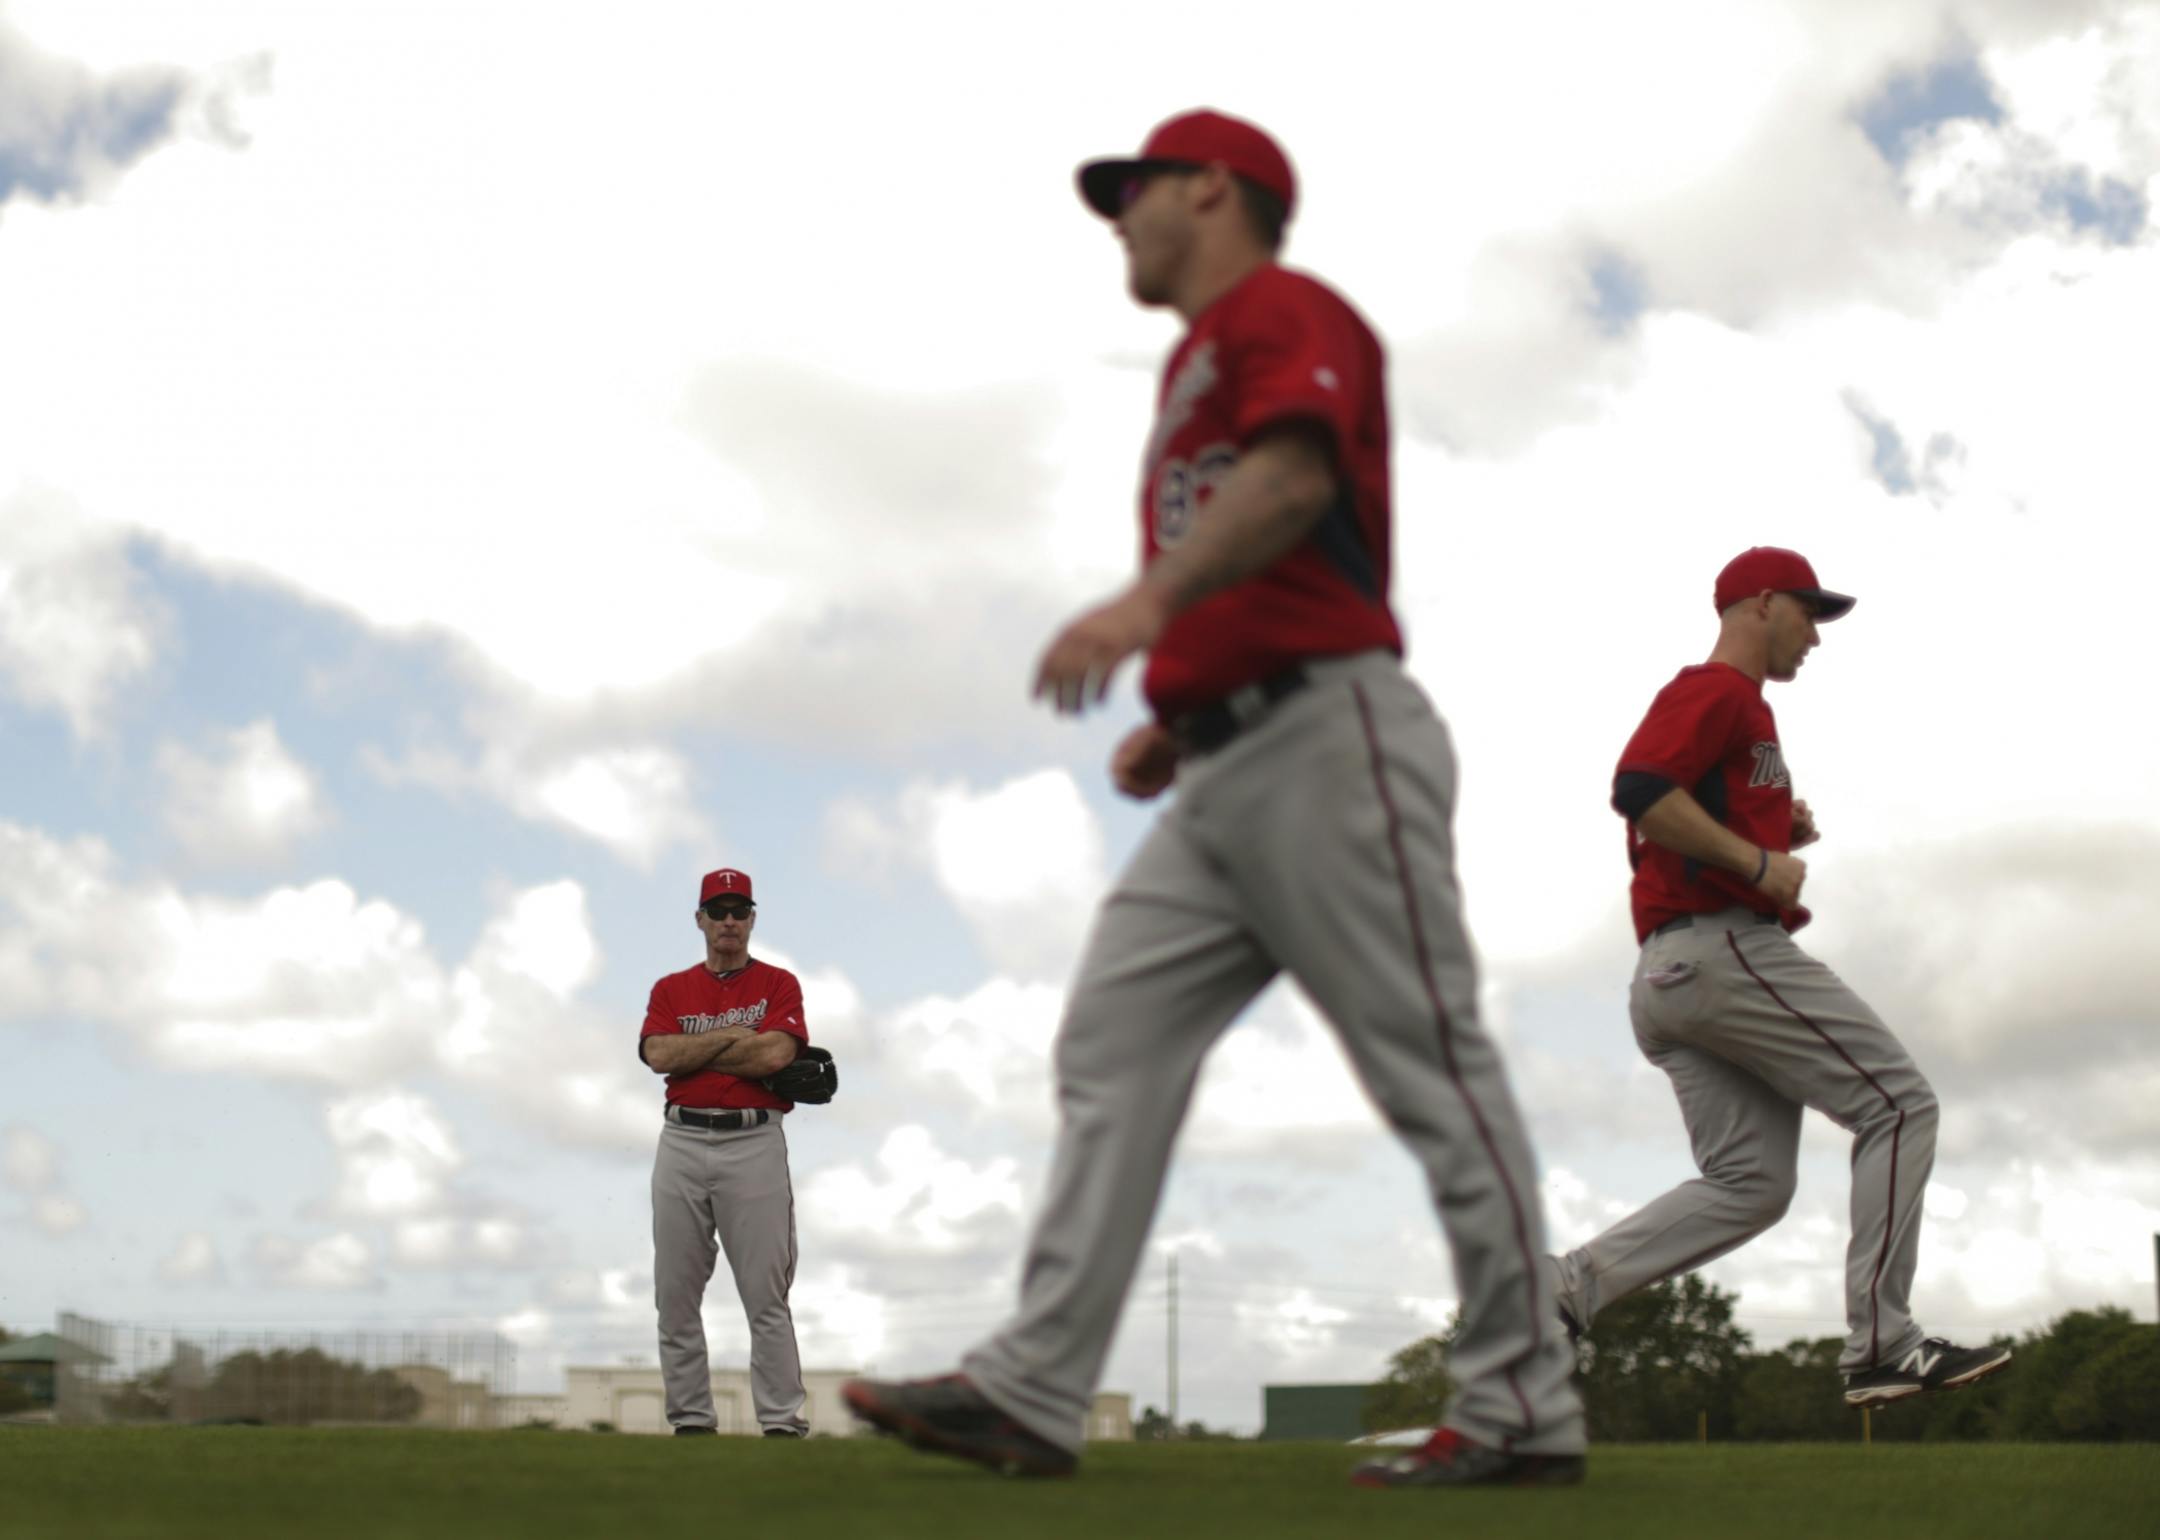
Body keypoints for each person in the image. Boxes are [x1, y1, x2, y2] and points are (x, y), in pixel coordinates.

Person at [843, 108, 1585, 1488]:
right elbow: (1265, 553)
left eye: (1134, 191)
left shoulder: (1284, 309)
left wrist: (1143, 608)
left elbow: (1297, 478)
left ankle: (1522, 1404)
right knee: (1112, 1041)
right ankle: (1032, 1388)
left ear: (1212, 188)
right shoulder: (1190, 360)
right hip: (1233, 762)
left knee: (1430, 1065)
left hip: (1332, 735)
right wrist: (1182, 719)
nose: (1117, 216)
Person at [1546, 548, 2011, 1406]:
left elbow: (1672, 823)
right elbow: (1641, 790)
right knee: (1900, 1103)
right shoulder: (1719, 689)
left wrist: (1767, 837)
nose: (1816, 636)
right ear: (1761, 603)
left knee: (1750, 1185)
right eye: (1809, 612)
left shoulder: (1738, 710)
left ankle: (1563, 1290)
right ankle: (1883, 1343)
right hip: (1724, 953)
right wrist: (1757, 864)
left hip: (1672, 972)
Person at [638, 866, 814, 1437]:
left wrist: (697, 1050)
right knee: (675, 1294)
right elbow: (659, 1053)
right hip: (683, 1140)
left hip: (754, 1139)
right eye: (718, 911)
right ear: (700, 920)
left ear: (753, 919)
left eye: (740, 910)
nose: (729, 921)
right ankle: (691, 1423)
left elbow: (774, 1057)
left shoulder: (779, 983)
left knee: (766, 1293)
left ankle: (782, 1423)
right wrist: (736, 1038)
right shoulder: (671, 988)